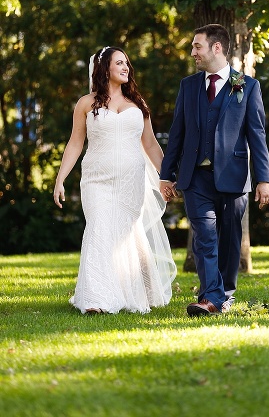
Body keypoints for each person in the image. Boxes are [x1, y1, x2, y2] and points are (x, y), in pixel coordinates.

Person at [53, 46, 177, 314]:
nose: (126, 68)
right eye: (119, 63)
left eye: (127, 63)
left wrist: (166, 177)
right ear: (104, 68)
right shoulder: (86, 104)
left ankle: (132, 290)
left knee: (124, 235)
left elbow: (151, 145)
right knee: (99, 229)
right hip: (96, 180)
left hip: (131, 183)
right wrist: (60, 178)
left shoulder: (139, 104)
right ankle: (96, 299)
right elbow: (75, 143)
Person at [160, 24, 269, 317]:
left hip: (234, 177)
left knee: (230, 239)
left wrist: (264, 180)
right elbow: (178, 133)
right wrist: (166, 174)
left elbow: (257, 136)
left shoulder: (247, 86)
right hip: (195, 177)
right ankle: (210, 298)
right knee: (205, 236)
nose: (193, 52)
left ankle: (225, 293)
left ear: (217, 48)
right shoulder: (188, 86)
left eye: (197, 46)